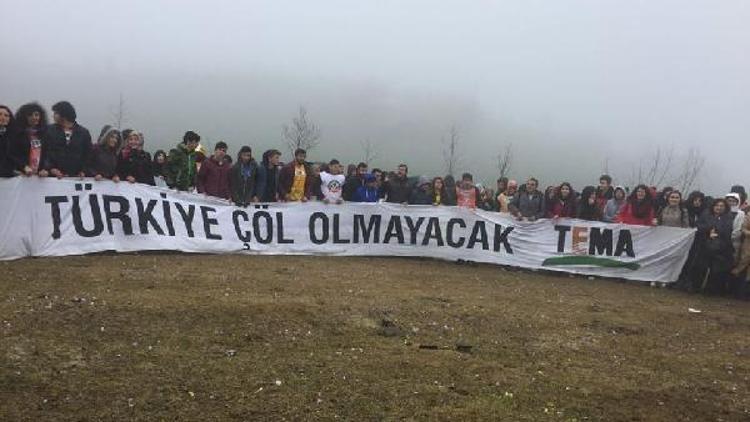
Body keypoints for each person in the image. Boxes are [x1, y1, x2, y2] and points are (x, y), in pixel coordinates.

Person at [695, 198, 736, 294]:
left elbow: (728, 231)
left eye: (722, 206)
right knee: (700, 268)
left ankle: (710, 290)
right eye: (717, 205)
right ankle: (696, 286)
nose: (719, 208)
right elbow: (698, 227)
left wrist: (716, 232)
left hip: (721, 248)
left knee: (716, 271)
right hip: (704, 245)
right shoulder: (706, 215)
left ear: (725, 208)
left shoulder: (728, 218)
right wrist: (708, 231)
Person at [42, 101, 92, 178]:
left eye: (56, 113)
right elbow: (44, 152)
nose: (53, 116)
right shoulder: (49, 130)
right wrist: (50, 168)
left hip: (74, 178)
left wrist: (83, 171)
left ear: (64, 114)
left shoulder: (83, 133)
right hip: (51, 177)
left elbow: (88, 155)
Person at [8, 102, 48, 177]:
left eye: (36, 115)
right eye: (30, 115)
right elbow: (12, 154)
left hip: (39, 176)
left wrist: (45, 168)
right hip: (21, 175)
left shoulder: (44, 134)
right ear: (24, 117)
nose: (34, 117)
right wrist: (23, 167)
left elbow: (47, 154)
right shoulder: (17, 133)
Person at [725, 193, 745, 258]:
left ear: (738, 202)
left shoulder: (741, 214)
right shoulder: (722, 211)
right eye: (729, 201)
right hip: (720, 243)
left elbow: (738, 231)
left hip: (733, 243)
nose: (731, 203)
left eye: (733, 201)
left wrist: (727, 237)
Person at [0, 105, 15, 177]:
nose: (3, 117)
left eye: (6, 115)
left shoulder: (11, 135)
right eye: (0, 114)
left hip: (5, 175)